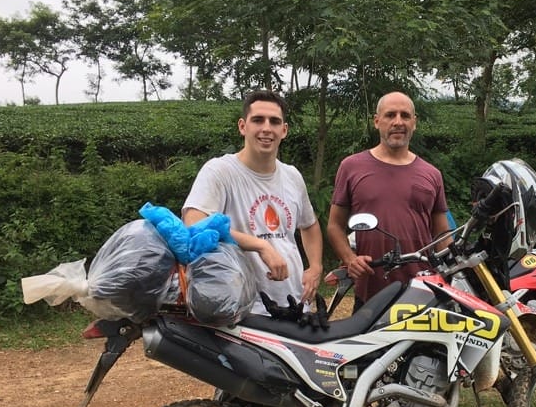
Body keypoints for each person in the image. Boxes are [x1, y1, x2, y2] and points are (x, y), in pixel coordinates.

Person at [182, 89, 323, 315]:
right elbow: (193, 224)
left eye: (275, 122)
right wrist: (260, 245)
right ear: (242, 126)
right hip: (245, 310)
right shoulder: (220, 171)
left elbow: (310, 224)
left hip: (296, 303)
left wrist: (315, 267)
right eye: (258, 120)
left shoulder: (292, 176)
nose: (266, 128)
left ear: (284, 130)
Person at [326, 91, 450, 310]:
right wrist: (349, 258)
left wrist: (453, 275)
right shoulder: (351, 167)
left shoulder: (432, 174)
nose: (398, 122)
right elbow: (335, 225)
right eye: (390, 115)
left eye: (405, 115)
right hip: (371, 290)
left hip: (422, 291)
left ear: (415, 122)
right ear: (377, 121)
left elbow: (442, 236)